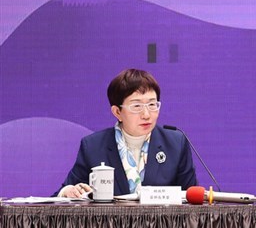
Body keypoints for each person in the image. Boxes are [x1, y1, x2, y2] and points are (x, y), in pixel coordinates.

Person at [56, 68, 197, 197]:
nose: (146, 114)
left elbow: (192, 198)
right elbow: (59, 197)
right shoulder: (93, 146)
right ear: (117, 112)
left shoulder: (175, 143)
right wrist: (67, 192)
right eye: (137, 106)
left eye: (152, 105)